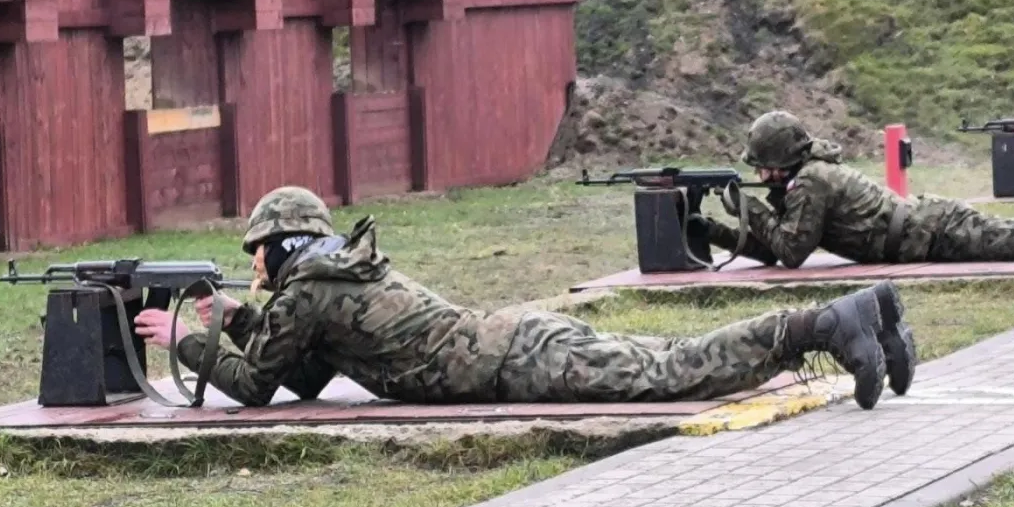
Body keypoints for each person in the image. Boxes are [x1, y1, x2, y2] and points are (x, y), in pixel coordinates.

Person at [131, 186, 919, 412]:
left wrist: (184, 340)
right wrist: (233, 318)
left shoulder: (307, 291)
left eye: (257, 254)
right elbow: (305, 373)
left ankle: (830, 323)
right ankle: (872, 316)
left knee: (675, 374)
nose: (255, 266)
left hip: (514, 364)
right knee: (671, 361)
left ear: (281, 245)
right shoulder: (331, 280)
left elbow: (257, 388)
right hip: (518, 340)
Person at [700, 111, 1014, 269]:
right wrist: (711, 229)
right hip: (926, 228)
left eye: (763, 167)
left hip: (932, 232)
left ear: (781, 161)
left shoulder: (811, 180)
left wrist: (747, 209)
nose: (760, 174)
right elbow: (775, 246)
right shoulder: (807, 176)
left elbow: (790, 251)